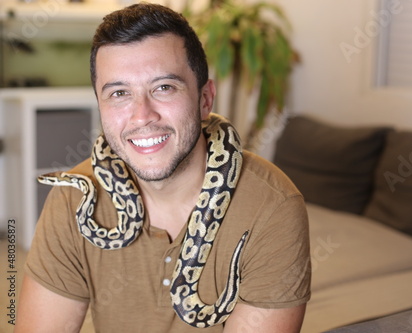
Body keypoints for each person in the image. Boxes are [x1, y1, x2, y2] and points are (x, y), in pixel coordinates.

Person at [15, 3, 310, 332]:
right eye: (119, 93)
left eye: (164, 88)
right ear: (99, 104)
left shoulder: (272, 205)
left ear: (205, 99)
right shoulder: (73, 199)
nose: (142, 116)